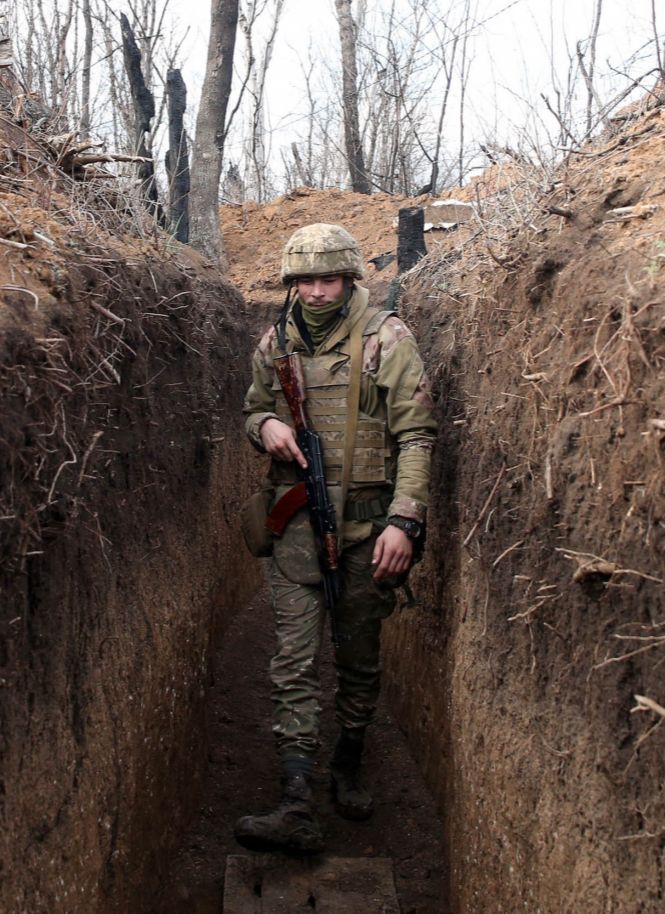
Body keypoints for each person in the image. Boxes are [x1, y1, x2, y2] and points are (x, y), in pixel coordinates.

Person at [233, 223, 438, 855]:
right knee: (293, 659)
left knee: (357, 656)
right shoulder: (274, 345)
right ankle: (296, 794)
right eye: (305, 281)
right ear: (291, 285)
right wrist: (265, 424)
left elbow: (416, 436)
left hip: (369, 531)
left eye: (329, 280)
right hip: (296, 529)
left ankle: (348, 759)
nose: (318, 293)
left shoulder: (387, 339)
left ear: (350, 280)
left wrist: (404, 521)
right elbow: (251, 410)